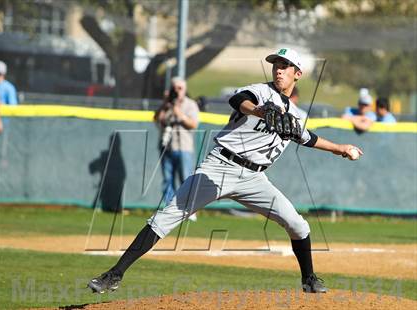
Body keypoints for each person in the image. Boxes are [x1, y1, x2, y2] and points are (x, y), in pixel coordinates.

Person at [88, 47, 363, 295]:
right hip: (220, 167)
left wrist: (340, 147)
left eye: (285, 65)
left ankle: (309, 280)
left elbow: (309, 138)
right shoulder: (260, 92)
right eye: (276, 64)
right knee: (164, 219)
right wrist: (258, 111)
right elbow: (239, 100)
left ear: (297, 73)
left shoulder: (297, 115)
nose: (278, 69)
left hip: (255, 178)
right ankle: (114, 275)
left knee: (299, 225)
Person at [154, 77, 199, 221]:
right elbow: (157, 120)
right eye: (175, 88)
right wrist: (165, 104)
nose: (177, 91)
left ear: (184, 90)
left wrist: (177, 111)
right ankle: (169, 209)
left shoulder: (190, 104)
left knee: (186, 179)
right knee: (168, 180)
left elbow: (193, 124)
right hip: (167, 147)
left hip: (184, 147)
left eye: (180, 88)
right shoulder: (166, 105)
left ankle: (189, 210)